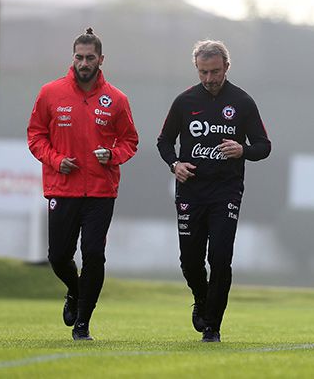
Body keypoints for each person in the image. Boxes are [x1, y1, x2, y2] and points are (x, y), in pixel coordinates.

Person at [27, 28, 139, 341]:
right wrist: (54, 159)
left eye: (90, 58)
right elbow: (36, 135)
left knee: (93, 253)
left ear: (101, 60)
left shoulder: (117, 99)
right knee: (58, 256)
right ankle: (75, 292)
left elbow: (130, 140)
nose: (84, 63)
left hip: (101, 191)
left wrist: (113, 154)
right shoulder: (50, 92)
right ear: (73, 57)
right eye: (79, 57)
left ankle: (83, 325)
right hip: (62, 188)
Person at [156, 40, 271, 343]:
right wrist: (174, 164)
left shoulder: (243, 102)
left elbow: (263, 146)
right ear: (197, 69)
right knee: (190, 260)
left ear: (226, 67)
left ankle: (213, 326)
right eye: (203, 72)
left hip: (226, 191)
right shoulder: (184, 101)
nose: (209, 79)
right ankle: (201, 298)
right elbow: (164, 142)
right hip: (191, 191)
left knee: (220, 258)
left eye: (215, 72)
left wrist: (242, 149)